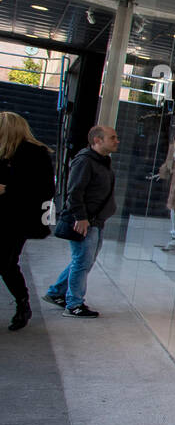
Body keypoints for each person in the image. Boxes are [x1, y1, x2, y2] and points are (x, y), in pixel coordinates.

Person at [44, 125, 119, 318]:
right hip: (85, 221)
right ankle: (74, 304)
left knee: (84, 261)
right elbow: (74, 192)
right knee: (82, 262)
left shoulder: (103, 161)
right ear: (97, 140)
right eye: (112, 138)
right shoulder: (85, 161)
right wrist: (81, 217)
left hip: (96, 221)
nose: (117, 141)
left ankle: (56, 292)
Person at [0, 112, 55, 330]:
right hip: (7, 217)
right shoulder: (3, 151)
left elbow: (46, 189)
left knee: (5, 263)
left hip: (17, 220)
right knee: (7, 263)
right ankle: (23, 304)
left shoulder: (35, 153)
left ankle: (23, 303)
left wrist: (8, 188)